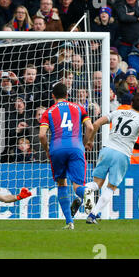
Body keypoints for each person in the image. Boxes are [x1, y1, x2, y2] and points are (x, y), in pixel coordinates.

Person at [83, 93, 139, 224]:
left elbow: (96, 123)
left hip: (106, 149)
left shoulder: (118, 112)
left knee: (96, 184)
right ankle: (93, 215)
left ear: (131, 103)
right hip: (122, 154)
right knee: (111, 187)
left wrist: (91, 139)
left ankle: (84, 190)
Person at [38, 82, 94, 230]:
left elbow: (42, 135)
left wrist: (46, 148)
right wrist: (84, 142)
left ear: (53, 96)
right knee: (77, 186)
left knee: (62, 184)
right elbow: (90, 127)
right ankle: (88, 195)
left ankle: (69, 222)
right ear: (67, 95)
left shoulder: (48, 112)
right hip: (76, 147)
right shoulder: (79, 107)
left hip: (57, 149)